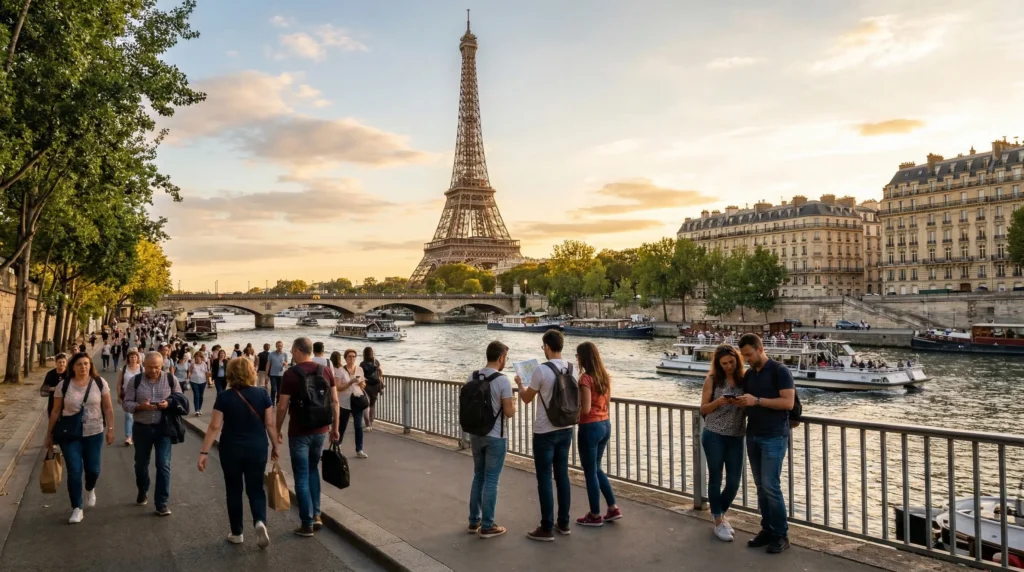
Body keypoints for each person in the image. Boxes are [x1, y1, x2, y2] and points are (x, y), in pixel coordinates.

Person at [197, 358, 278, 548]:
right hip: (257, 447)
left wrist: (204, 452)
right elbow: (269, 424)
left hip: (231, 448)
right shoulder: (263, 394)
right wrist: (275, 445)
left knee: (233, 489)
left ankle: (237, 532)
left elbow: (214, 426)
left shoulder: (224, 397)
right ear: (251, 372)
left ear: (230, 373)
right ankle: (259, 521)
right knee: (256, 488)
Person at [735, 334, 795, 554]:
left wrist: (756, 401)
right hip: (753, 434)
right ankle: (768, 529)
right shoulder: (750, 375)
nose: (747, 359)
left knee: (771, 485)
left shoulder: (780, 371)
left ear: (760, 349)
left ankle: (781, 534)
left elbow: (788, 402)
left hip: (774, 435)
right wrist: (741, 403)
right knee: (761, 486)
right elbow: (749, 402)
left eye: (749, 354)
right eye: (744, 356)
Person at [514, 329, 576, 542]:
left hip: (544, 430)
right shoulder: (572, 368)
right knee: (562, 476)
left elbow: (526, 398)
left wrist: (520, 383)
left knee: (544, 478)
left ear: (547, 347)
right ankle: (564, 522)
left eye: (543, 347)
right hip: (566, 428)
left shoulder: (541, 370)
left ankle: (546, 526)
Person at [275, 337, 340, 537]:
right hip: (321, 430)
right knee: (313, 471)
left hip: (299, 432)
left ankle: (307, 523)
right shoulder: (326, 370)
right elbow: (335, 402)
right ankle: (317, 514)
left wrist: (276, 430)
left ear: (296, 351)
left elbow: (283, 406)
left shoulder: (290, 375)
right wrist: (335, 428)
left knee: (301, 476)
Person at [43, 353, 115, 524]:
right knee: (74, 471)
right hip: (70, 434)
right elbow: (55, 410)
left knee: (93, 470)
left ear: (90, 365)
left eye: (86, 364)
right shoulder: (64, 385)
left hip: (94, 432)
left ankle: (90, 488)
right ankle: (77, 507)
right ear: (72, 367)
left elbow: (108, 408)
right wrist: (49, 434)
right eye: (79, 364)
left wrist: (111, 429)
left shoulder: (99, 383)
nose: (83, 367)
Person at [123, 351, 183, 516]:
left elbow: (180, 399)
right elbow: (126, 404)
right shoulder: (135, 381)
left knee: (163, 465)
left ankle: (162, 503)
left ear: (162, 365)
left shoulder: (171, 379)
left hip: (163, 428)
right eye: (150, 367)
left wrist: (168, 404)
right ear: (144, 365)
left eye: (157, 367)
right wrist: (141, 406)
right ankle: (143, 489)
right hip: (142, 428)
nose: (154, 370)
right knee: (141, 464)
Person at [466, 341, 514, 539]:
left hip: (475, 434)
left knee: (478, 476)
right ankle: (487, 525)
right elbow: (509, 412)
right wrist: (514, 405)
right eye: (506, 358)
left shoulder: (473, 376)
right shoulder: (503, 381)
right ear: (501, 357)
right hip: (496, 436)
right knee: (492, 480)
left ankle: (473, 521)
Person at [699, 345, 747, 542]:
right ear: (718, 364)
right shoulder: (712, 380)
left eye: (731, 362)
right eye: (724, 363)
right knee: (716, 477)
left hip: (737, 435)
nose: (728, 366)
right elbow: (703, 408)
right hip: (714, 434)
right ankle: (719, 521)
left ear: (737, 359)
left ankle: (719, 513)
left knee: (734, 482)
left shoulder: (745, 379)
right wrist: (719, 402)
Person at [574, 341, 621, 527]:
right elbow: (606, 403)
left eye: (578, 355)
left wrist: (573, 414)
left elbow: (585, 409)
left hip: (590, 427)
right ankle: (612, 507)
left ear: (583, 357)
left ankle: (594, 514)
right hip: (605, 424)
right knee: (597, 467)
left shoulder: (585, 379)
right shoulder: (604, 377)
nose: (577, 359)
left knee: (589, 471)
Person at [334, 349, 367, 458]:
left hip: (357, 400)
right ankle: (338, 446)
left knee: (358, 426)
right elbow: (338, 387)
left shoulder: (360, 369)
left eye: (353, 356)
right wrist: (350, 382)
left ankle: (359, 449)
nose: (352, 358)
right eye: (349, 356)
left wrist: (361, 384)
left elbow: (363, 384)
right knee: (342, 425)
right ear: (345, 358)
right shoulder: (340, 371)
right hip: (345, 402)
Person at [117, 350, 144, 446]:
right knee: (128, 416)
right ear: (128, 359)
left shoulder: (141, 369)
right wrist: (119, 395)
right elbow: (119, 383)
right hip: (127, 394)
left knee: (138, 415)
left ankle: (137, 435)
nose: (133, 358)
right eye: (131, 357)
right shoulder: (124, 369)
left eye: (135, 357)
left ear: (138, 359)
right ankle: (129, 436)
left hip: (139, 394)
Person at [360, 347, 384, 430]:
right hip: (376, 385)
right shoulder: (376, 361)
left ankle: (367, 425)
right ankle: (371, 423)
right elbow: (380, 371)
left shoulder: (362, 364)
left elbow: (360, 375)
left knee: (366, 405)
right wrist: (380, 377)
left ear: (364, 354)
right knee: (373, 404)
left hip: (367, 385)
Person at [39, 353, 69, 419]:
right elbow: (44, 389)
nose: (62, 364)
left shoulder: (69, 374)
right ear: (56, 363)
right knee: (53, 419)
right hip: (53, 401)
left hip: (67, 401)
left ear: (66, 362)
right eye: (59, 362)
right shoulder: (50, 374)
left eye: (63, 362)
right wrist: (54, 389)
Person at [187, 351, 211, 416]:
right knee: (196, 395)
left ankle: (199, 409)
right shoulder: (193, 364)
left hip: (203, 382)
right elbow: (190, 371)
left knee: (201, 396)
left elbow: (206, 373)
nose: (197, 358)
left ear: (201, 358)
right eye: (196, 357)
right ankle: (196, 410)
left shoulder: (204, 364)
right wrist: (188, 376)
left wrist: (209, 381)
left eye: (198, 357)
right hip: (194, 381)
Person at [266, 340, 287, 406]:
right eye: (278, 346)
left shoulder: (285, 354)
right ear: (276, 346)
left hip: (281, 374)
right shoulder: (271, 354)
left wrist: (285, 364)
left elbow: (286, 363)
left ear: (282, 346)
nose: (279, 347)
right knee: (274, 389)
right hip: (273, 374)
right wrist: (266, 374)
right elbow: (268, 364)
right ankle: (272, 402)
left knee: (279, 390)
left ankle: (278, 402)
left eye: (280, 346)